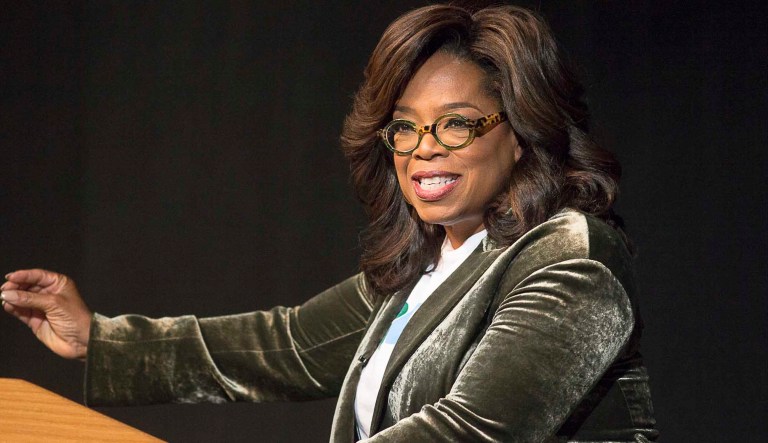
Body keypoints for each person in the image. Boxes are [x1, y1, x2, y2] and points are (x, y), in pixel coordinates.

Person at [1, 4, 658, 442]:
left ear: (521, 131)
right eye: (404, 127)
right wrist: (99, 339)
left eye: (455, 122)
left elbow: (469, 429)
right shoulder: (428, 269)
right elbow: (283, 347)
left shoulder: (572, 260)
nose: (424, 145)